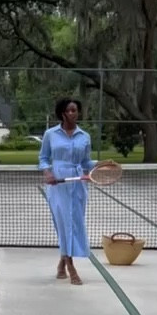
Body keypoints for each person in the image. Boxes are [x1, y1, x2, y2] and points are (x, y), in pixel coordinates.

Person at [38, 98, 96, 285]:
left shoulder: (84, 136)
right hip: (57, 184)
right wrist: (48, 173)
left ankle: (61, 264)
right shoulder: (50, 134)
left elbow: (87, 162)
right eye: (69, 110)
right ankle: (71, 267)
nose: (73, 113)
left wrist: (97, 168)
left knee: (74, 223)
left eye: (75, 110)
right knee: (63, 224)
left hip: (78, 183)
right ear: (62, 113)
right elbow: (44, 158)